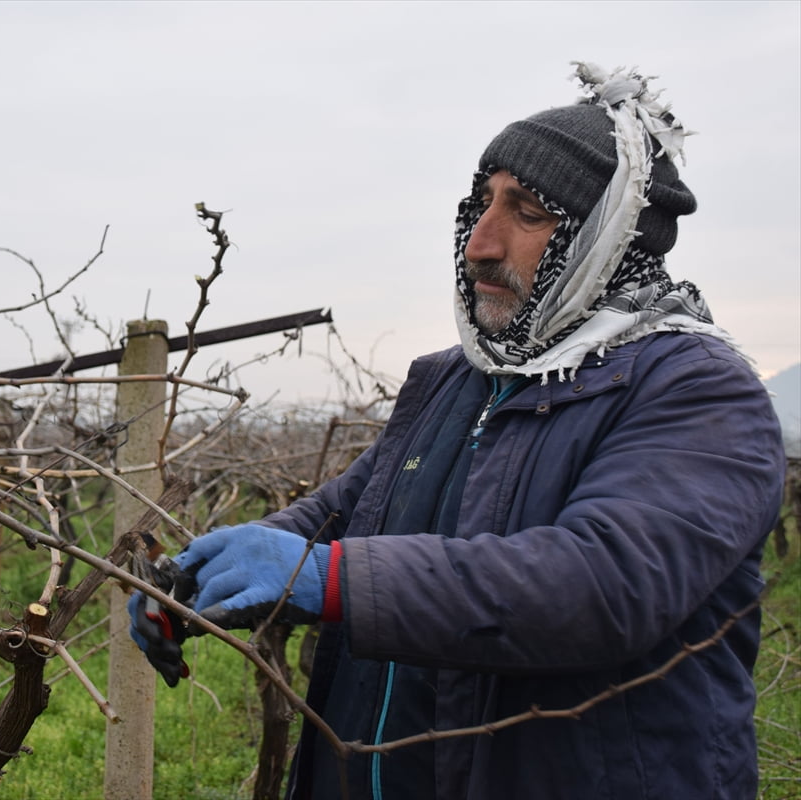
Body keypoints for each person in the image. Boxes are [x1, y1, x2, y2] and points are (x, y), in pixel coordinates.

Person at [129, 63, 786, 800]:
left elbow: (603, 586)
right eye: (482, 204)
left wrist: (328, 577)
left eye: (528, 213)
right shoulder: (460, 375)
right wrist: (201, 574)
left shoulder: (697, 389)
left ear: (609, 237)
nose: (481, 242)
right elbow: (350, 510)